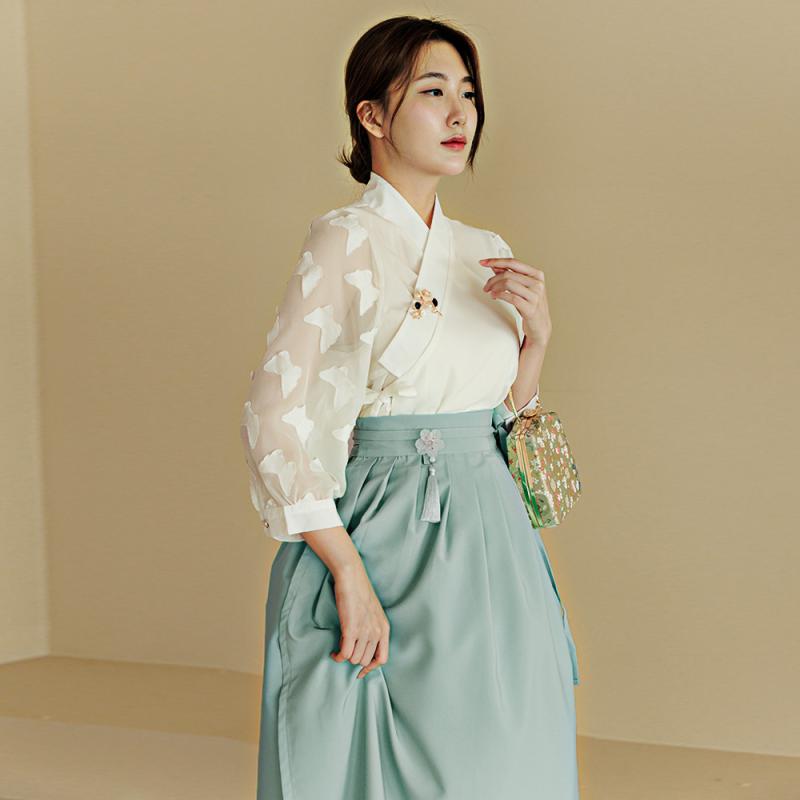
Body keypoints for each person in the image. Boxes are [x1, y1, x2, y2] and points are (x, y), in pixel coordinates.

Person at [240, 15, 580, 800]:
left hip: (492, 531)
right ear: (372, 114)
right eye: (432, 92)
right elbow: (272, 413)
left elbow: (504, 419)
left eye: (469, 93)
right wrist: (345, 571)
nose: (461, 113)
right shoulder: (344, 239)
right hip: (384, 527)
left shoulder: (484, 248)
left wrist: (537, 342)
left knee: (510, 751)